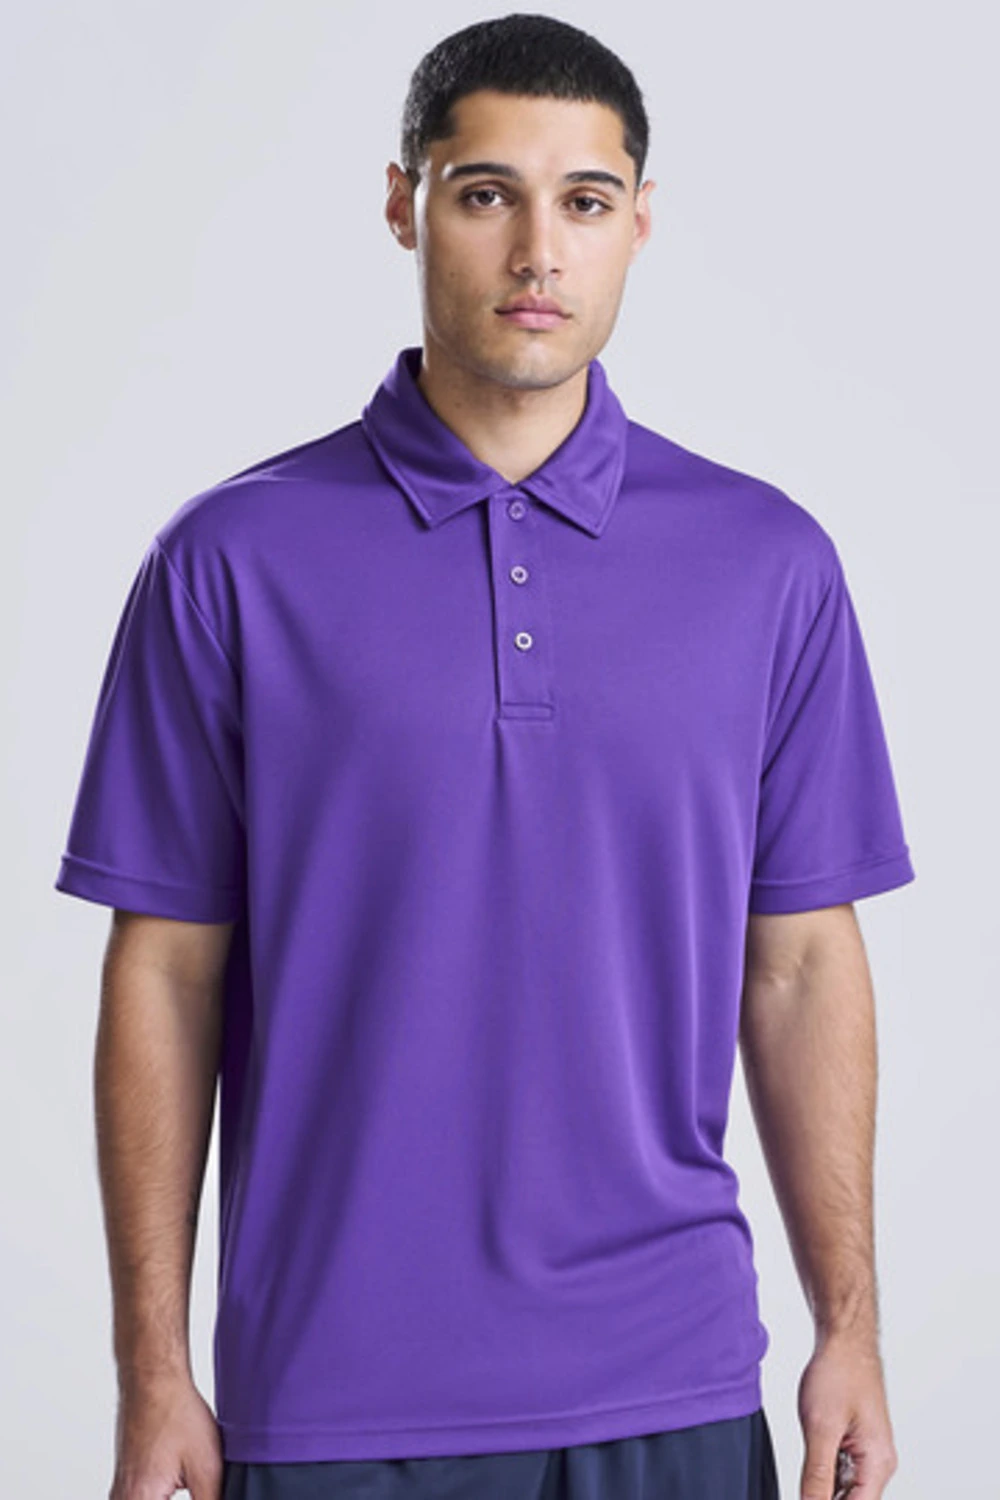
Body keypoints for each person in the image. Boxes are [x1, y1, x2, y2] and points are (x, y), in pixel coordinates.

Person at [53, 12, 914, 1500]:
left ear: (640, 223)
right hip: (334, 1400)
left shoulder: (768, 564)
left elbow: (800, 967)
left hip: (674, 1380)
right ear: (404, 205)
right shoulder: (230, 562)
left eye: (584, 200)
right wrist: (152, 1369)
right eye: (485, 193)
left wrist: (852, 1329)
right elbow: (166, 974)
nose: (537, 251)